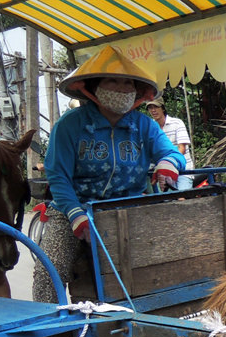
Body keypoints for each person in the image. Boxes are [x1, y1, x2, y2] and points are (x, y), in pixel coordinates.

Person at [33, 45, 185, 303]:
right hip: (73, 209)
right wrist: (75, 215)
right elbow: (58, 175)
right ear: (94, 87)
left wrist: (168, 164)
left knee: (166, 260)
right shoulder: (70, 125)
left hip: (127, 208)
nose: (123, 88)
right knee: (49, 271)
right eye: (113, 80)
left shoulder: (143, 125)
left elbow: (173, 154)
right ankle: (47, 331)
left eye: (128, 83)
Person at [145, 98, 195, 189]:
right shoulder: (150, 127)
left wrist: (170, 163)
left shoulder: (177, 123)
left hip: (183, 170)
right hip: (161, 171)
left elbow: (182, 149)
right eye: (150, 108)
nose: (153, 110)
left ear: (163, 108)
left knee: (181, 198)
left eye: (156, 107)